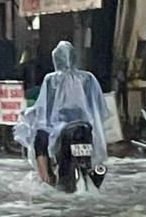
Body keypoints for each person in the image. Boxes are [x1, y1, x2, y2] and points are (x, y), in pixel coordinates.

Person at [15, 40, 108, 184]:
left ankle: (46, 178)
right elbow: (99, 107)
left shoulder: (51, 79)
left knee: (39, 137)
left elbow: (43, 107)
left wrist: (28, 114)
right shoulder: (88, 78)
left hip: (59, 128)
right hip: (86, 126)